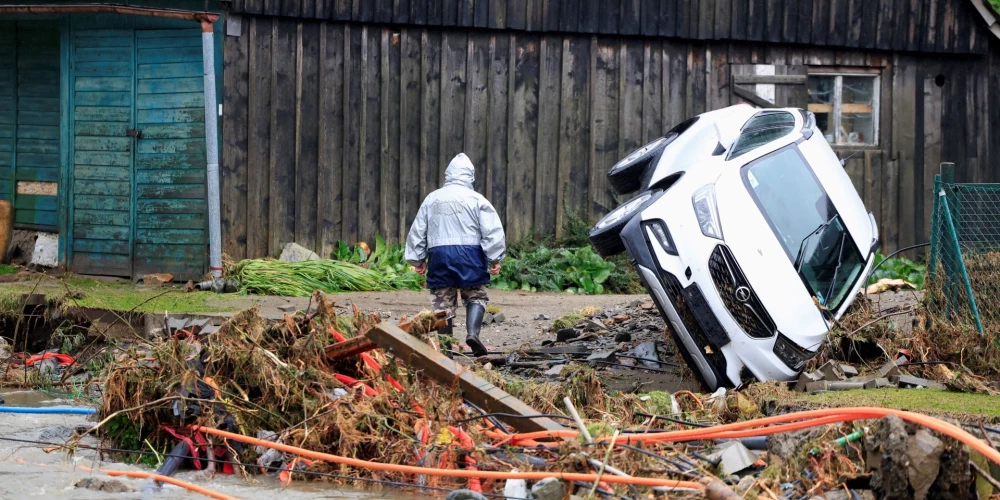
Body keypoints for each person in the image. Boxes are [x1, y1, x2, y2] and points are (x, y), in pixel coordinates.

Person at [405, 153, 506, 357]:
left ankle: (446, 351)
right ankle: (472, 334)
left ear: (448, 175)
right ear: (470, 176)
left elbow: (418, 230)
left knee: (442, 301)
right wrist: (495, 258)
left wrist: (417, 259)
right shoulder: (477, 199)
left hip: (439, 254)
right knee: (475, 294)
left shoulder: (432, 198)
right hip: (470, 255)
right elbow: (492, 231)